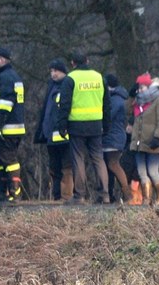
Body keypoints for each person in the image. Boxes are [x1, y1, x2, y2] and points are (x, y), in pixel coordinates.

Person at [58, 52, 110, 204]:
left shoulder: (71, 79)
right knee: (98, 158)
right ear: (87, 61)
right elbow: (107, 104)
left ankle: (79, 195)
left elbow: (64, 104)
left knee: (78, 159)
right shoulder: (99, 77)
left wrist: (62, 125)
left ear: (73, 63)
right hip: (96, 124)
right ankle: (104, 194)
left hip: (77, 125)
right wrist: (106, 125)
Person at [0, 47, 26, 205]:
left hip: (7, 128)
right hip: (10, 127)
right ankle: (1, 194)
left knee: (9, 160)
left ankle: (14, 194)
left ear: (3, 60)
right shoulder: (10, 76)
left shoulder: (5, 78)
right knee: (0, 161)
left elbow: (5, 103)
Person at [38, 58, 75, 201]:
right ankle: (56, 195)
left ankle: (66, 195)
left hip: (63, 134)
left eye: (56, 71)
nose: (53, 74)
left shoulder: (67, 85)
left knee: (66, 166)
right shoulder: (51, 86)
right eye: (51, 71)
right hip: (50, 134)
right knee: (54, 167)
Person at [129, 73, 159, 205]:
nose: (140, 91)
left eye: (142, 88)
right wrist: (132, 93)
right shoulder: (138, 102)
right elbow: (126, 107)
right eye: (138, 88)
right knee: (142, 173)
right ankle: (146, 199)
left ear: (149, 87)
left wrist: (157, 137)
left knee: (153, 171)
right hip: (139, 143)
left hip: (153, 142)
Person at [103, 74, 131, 203]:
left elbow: (108, 116)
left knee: (113, 164)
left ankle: (127, 194)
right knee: (110, 165)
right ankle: (113, 194)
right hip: (116, 136)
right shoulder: (120, 98)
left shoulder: (114, 100)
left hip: (112, 136)